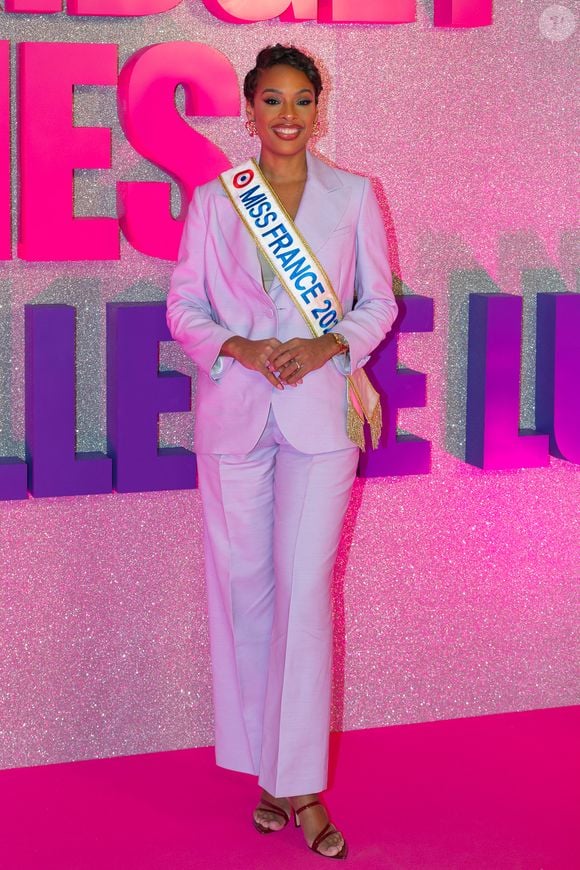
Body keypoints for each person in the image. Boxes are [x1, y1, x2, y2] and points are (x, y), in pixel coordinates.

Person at [166, 43, 398, 860]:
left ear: (319, 108)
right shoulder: (213, 200)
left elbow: (378, 302)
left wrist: (331, 343)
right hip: (234, 416)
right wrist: (237, 347)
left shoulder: (355, 196)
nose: (289, 117)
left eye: (303, 100)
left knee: (303, 594)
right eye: (273, 101)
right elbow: (184, 306)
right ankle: (266, 771)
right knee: (246, 596)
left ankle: (301, 787)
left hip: (319, 419)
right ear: (249, 108)